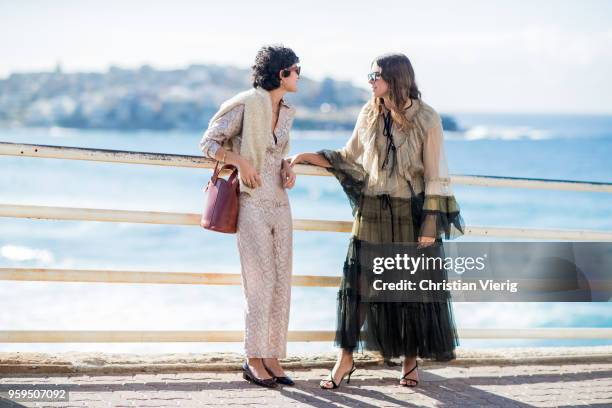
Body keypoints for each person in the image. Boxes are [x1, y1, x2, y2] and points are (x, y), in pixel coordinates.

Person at [288, 53, 465, 388]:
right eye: (369, 75)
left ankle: (410, 362)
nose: (370, 80)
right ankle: (345, 360)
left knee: (410, 291)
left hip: (410, 215)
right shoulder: (369, 112)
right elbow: (349, 156)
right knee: (357, 289)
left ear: (396, 78)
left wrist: (430, 224)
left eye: (376, 75)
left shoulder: (427, 118)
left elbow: (436, 175)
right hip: (371, 212)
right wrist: (308, 156)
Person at [199, 45, 300, 388]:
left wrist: (287, 166)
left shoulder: (286, 110)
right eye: (296, 69)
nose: (299, 75)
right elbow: (208, 143)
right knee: (259, 283)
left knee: (281, 281)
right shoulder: (246, 103)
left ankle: (272, 356)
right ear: (281, 73)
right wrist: (240, 161)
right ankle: (252, 357)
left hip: (281, 202)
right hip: (252, 201)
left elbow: (278, 150)